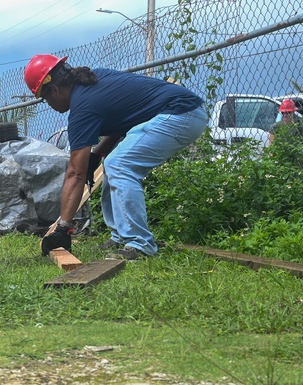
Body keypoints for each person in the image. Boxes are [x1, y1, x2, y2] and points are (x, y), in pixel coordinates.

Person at [25, 54, 207, 261]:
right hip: (185, 111)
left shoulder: (82, 107)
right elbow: (124, 117)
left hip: (181, 113)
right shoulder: (94, 81)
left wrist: (63, 227)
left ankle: (139, 244)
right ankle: (121, 237)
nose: (48, 104)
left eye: (44, 98)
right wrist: (98, 153)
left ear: (55, 90)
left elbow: (75, 174)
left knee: (119, 164)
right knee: (112, 163)